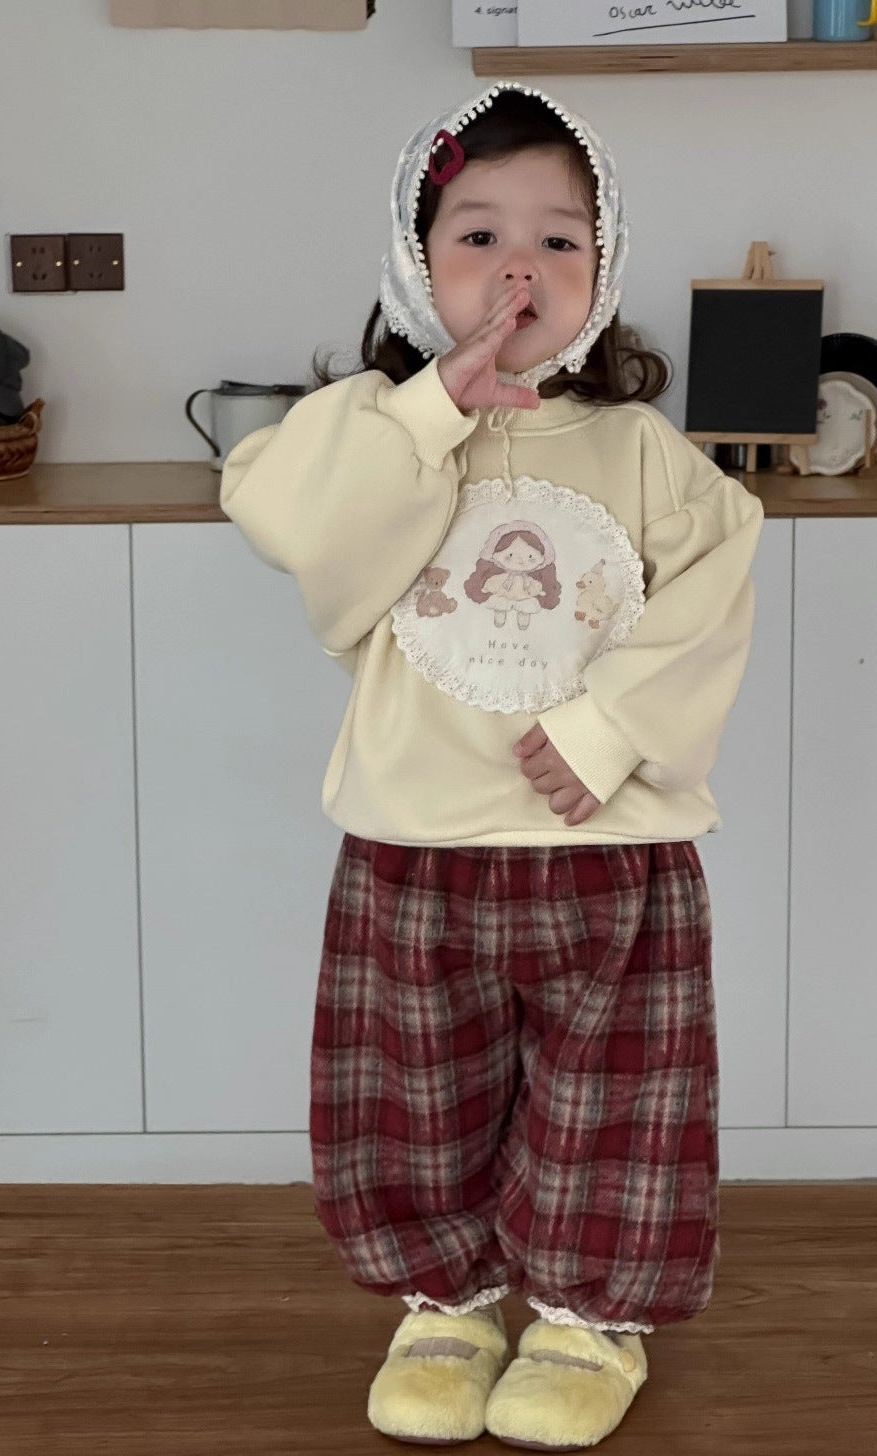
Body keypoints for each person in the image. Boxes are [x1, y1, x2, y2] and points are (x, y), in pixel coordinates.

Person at [221, 83, 764, 1451]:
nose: (520, 268)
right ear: (414, 262)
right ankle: (446, 1306)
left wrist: (606, 732)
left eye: (560, 240)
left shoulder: (641, 451)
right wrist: (427, 411)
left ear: (605, 271)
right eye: (479, 236)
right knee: (415, 1094)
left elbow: (716, 586)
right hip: (416, 843)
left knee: (616, 1100)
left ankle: (586, 1321)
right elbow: (286, 520)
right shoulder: (364, 430)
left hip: (612, 854)